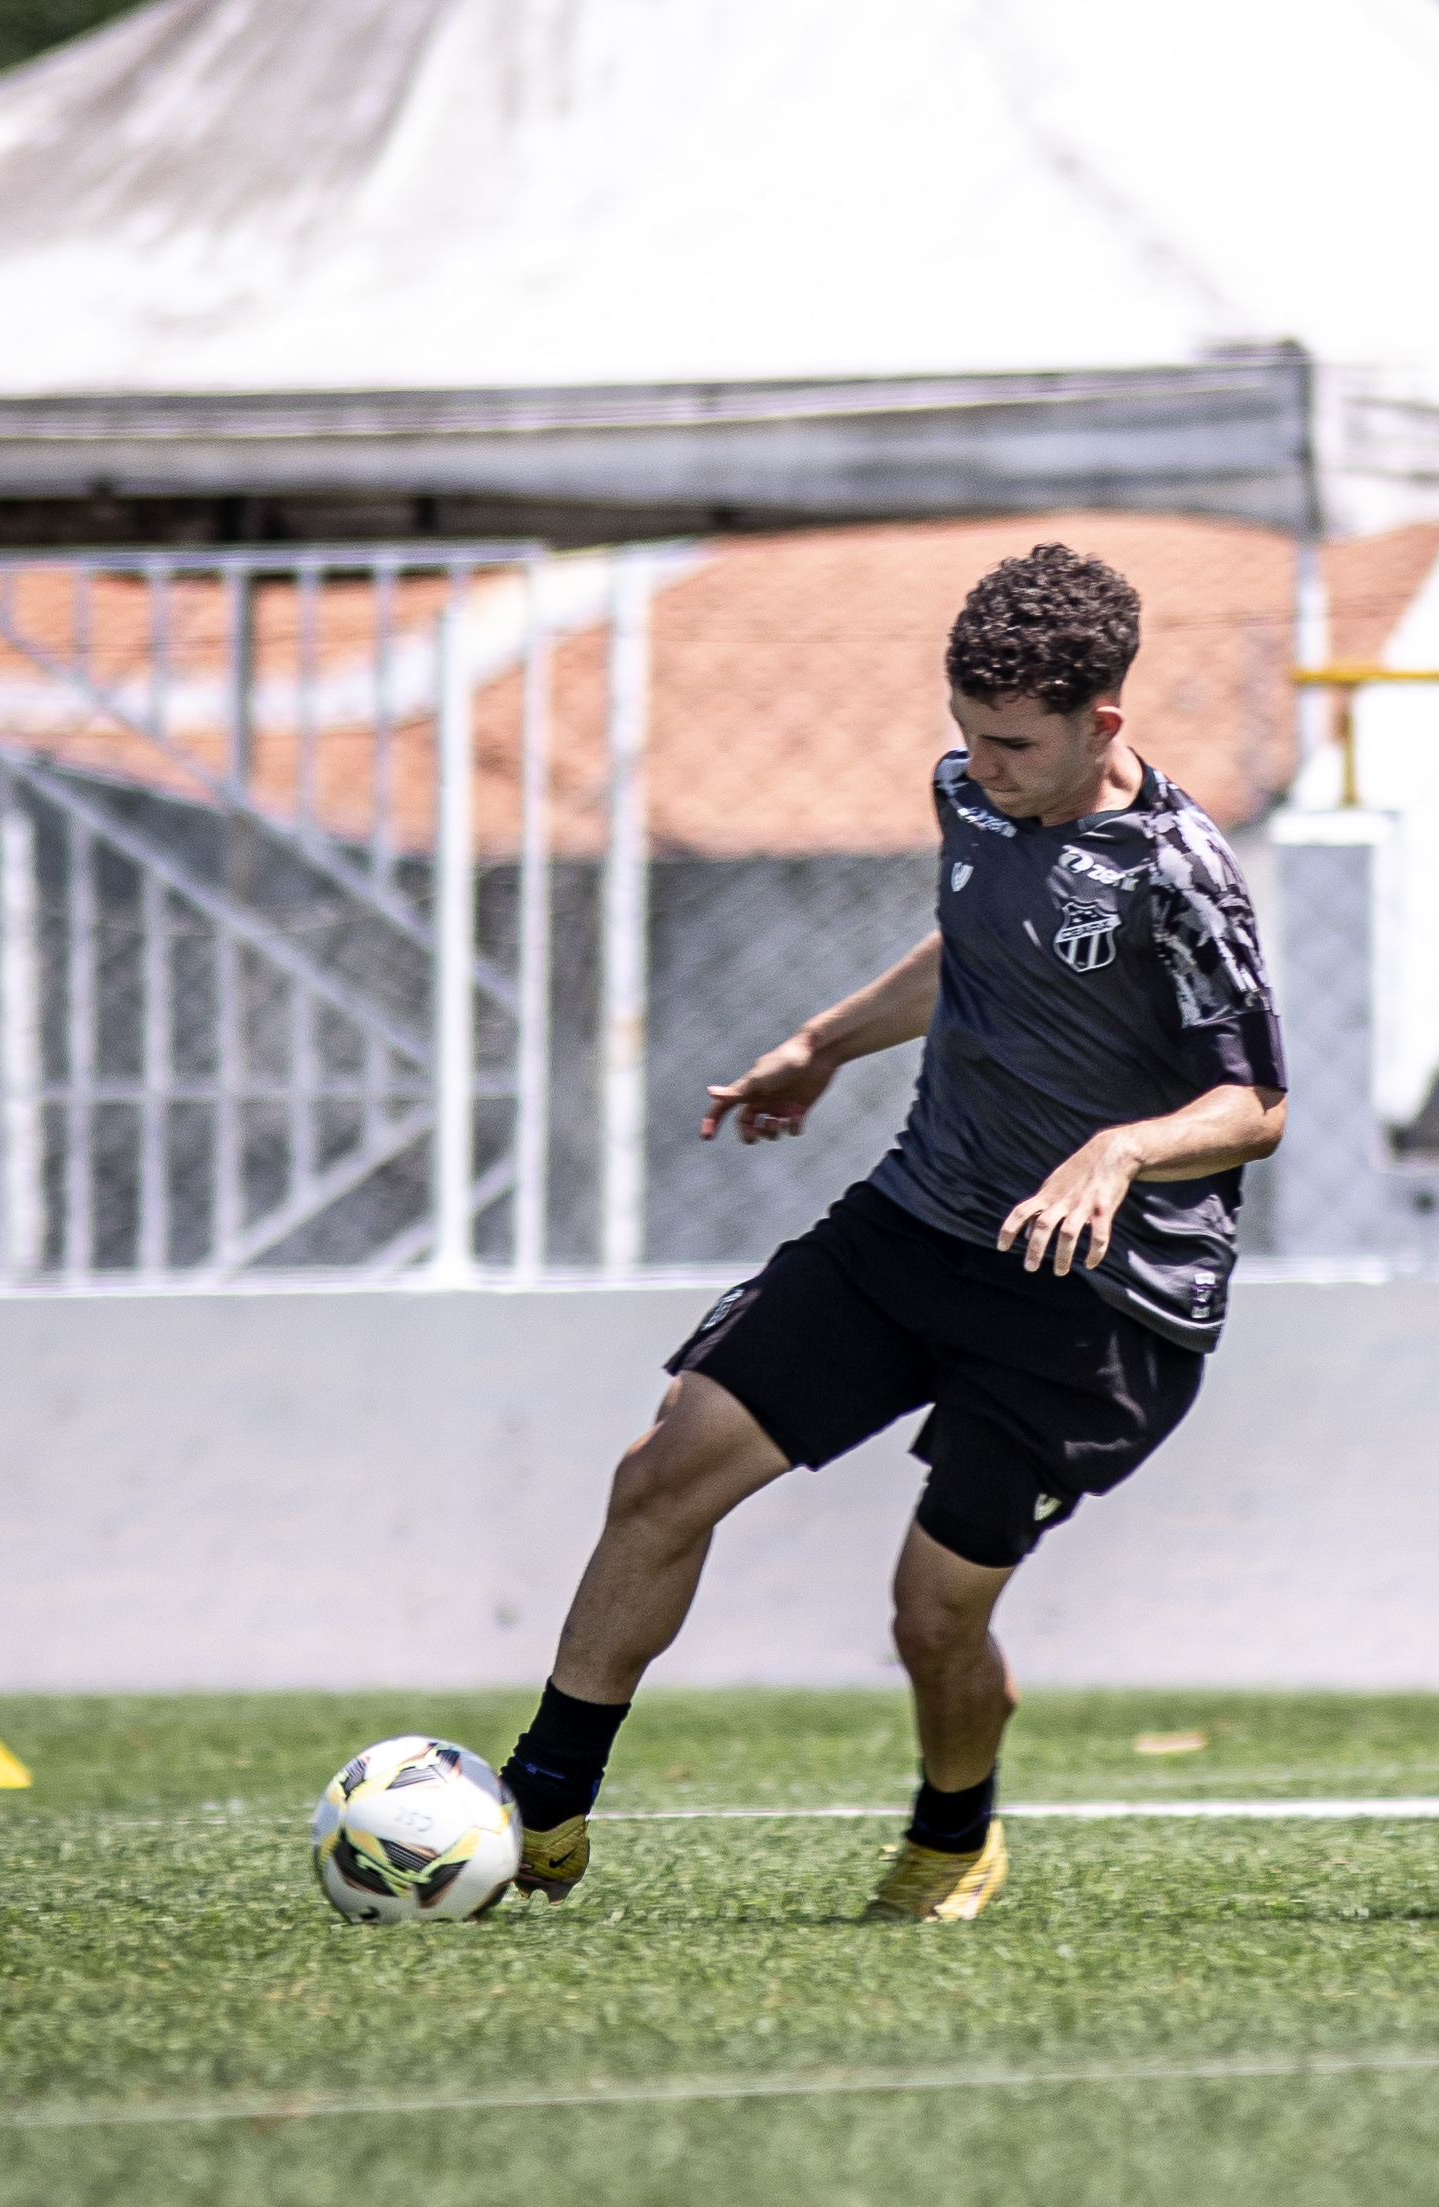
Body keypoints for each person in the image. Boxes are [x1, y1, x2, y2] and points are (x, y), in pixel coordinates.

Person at [495, 544, 1288, 1921]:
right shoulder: (970, 800)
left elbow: (1257, 1103)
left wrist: (1118, 1152)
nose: (979, 765)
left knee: (931, 1611)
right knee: (663, 1472)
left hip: (1096, 1301)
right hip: (920, 1223)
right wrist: (823, 1043)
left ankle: (951, 1831)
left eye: (1012, 744)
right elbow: (975, 945)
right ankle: (541, 1804)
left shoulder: (1178, 876)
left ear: (1104, 724)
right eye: (965, 735)